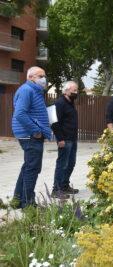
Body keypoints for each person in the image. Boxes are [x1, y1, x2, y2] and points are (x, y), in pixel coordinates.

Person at [12, 66, 52, 208]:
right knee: (32, 169)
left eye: (44, 76)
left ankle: (17, 200)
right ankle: (28, 204)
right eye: (41, 76)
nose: (44, 79)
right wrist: (36, 131)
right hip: (30, 135)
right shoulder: (26, 90)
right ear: (31, 77)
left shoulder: (34, 91)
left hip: (29, 134)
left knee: (28, 167)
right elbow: (20, 114)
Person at [51, 81, 79, 199]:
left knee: (71, 163)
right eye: (74, 91)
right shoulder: (60, 103)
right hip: (65, 139)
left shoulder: (70, 102)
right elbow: (54, 122)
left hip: (72, 138)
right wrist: (60, 138)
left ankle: (64, 185)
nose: (76, 93)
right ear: (66, 90)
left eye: (77, 90)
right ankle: (56, 189)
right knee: (62, 164)